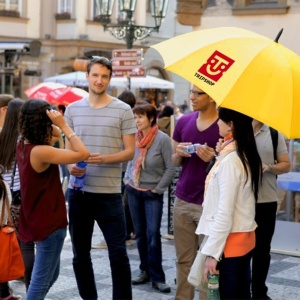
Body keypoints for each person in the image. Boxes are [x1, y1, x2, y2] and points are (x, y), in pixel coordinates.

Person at [64, 57, 136, 300]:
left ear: (109, 78)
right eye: (95, 75)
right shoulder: (72, 109)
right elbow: (68, 152)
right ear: (87, 76)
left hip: (109, 195)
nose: (99, 80)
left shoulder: (123, 110)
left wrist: (103, 159)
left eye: (104, 76)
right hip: (79, 194)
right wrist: (72, 165)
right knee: (80, 254)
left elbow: (130, 151)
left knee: (118, 253)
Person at [16, 99, 89, 300]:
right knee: (39, 283)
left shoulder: (23, 144)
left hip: (35, 217)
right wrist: (64, 124)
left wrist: (51, 122)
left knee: (52, 273)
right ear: (44, 120)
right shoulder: (42, 151)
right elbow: (83, 153)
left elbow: (54, 135)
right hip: (49, 221)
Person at [196, 107, 262, 299]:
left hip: (230, 244)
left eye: (220, 119)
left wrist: (213, 255)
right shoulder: (242, 154)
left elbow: (224, 212)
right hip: (244, 239)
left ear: (231, 126)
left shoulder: (232, 161)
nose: (217, 123)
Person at [172, 85, 220, 300]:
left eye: (197, 93)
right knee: (184, 259)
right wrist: (179, 153)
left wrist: (213, 159)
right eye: (190, 92)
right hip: (183, 199)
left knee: (206, 261)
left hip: (210, 205)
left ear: (212, 96)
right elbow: (174, 160)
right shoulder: (183, 121)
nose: (191, 97)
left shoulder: (224, 126)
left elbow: (232, 166)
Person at [124, 104, 176, 293]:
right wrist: (127, 180)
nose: (136, 120)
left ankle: (157, 277)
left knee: (153, 235)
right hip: (133, 191)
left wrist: (158, 189)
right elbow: (129, 160)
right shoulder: (134, 137)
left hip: (151, 194)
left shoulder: (162, 139)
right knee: (140, 235)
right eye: (135, 117)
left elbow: (171, 168)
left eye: (140, 117)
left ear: (152, 118)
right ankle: (144, 270)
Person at [251, 120, 290, 300]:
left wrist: (270, 167)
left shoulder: (274, 133)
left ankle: (259, 291)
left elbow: (286, 164)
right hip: (239, 201)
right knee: (238, 249)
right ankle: (241, 290)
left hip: (266, 200)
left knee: (262, 249)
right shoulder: (236, 127)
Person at [0, 98, 21, 300]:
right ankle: (4, 290)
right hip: (14, 196)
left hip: (1, 195)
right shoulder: (21, 139)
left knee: (2, 242)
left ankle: (4, 291)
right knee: (11, 241)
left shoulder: (2, 136)